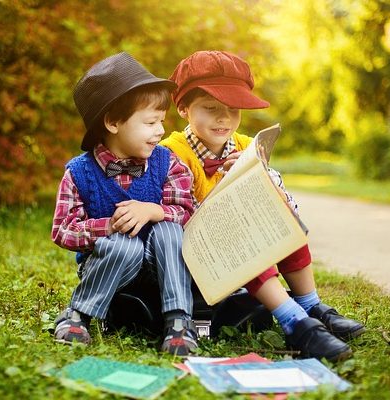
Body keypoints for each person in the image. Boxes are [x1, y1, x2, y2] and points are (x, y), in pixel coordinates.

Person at [160, 50, 365, 362]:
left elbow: (276, 195)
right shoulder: (171, 153)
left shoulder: (244, 146)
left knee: (283, 215)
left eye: (232, 109)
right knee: (242, 235)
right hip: (194, 255)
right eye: (210, 108)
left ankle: (310, 304)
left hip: (236, 250)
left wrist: (257, 176)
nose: (223, 118)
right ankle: (294, 321)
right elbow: (179, 217)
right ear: (185, 108)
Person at [51, 52, 198, 355]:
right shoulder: (79, 173)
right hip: (113, 269)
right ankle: (78, 314)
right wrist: (107, 227)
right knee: (123, 243)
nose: (160, 130)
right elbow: (63, 230)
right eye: (150, 122)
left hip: (162, 267)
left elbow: (186, 212)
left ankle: (179, 322)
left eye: (161, 121)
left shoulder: (168, 163)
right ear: (113, 122)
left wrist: (154, 210)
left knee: (169, 230)